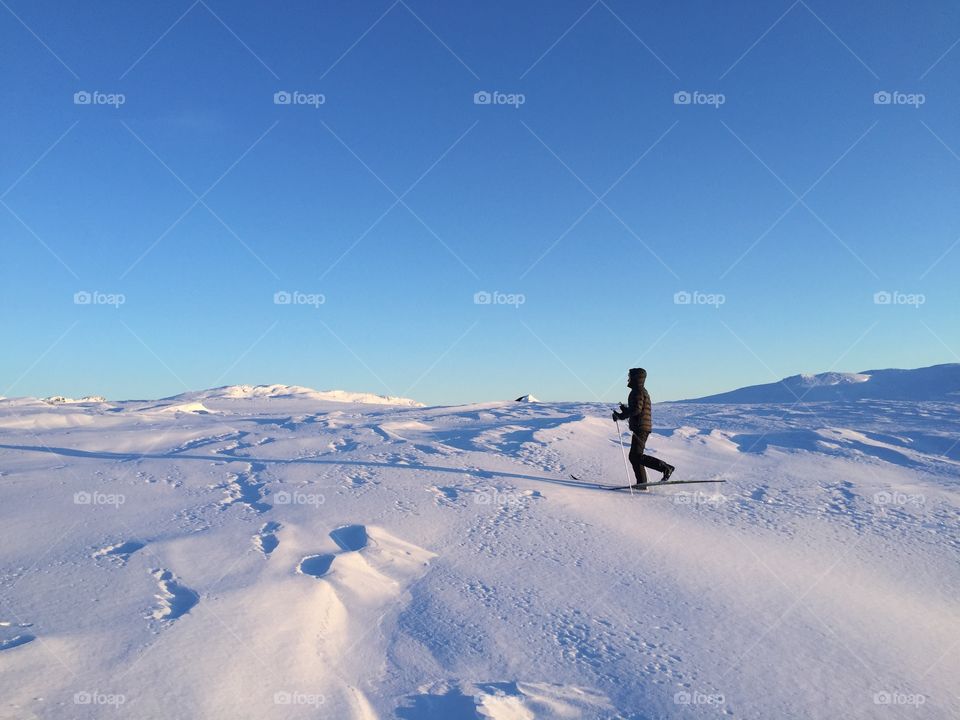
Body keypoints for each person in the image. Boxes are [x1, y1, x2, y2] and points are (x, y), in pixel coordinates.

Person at [612, 367, 674, 488]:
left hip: (641, 427)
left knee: (635, 456)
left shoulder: (638, 391)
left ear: (635, 378)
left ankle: (666, 468)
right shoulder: (640, 390)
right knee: (635, 456)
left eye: (629, 376)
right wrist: (625, 410)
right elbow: (637, 409)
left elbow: (636, 410)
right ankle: (642, 484)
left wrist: (621, 415)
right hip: (641, 427)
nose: (627, 379)